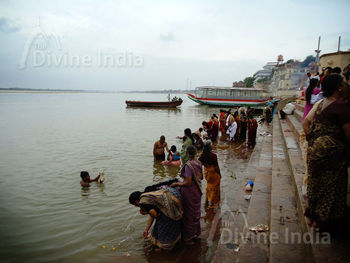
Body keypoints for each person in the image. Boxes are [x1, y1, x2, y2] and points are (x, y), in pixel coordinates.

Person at [303, 74, 350, 231]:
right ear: (339, 87)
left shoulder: (321, 103)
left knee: (316, 185)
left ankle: (313, 218)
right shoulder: (342, 108)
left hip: (315, 151)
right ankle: (322, 223)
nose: (346, 84)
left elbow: (305, 123)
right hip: (332, 156)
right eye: (344, 82)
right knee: (330, 188)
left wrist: (314, 141)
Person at [129, 180, 183, 251]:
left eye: (134, 204)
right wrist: (146, 230)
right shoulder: (148, 191)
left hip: (170, 203)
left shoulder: (143, 201)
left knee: (164, 224)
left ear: (136, 201)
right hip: (175, 194)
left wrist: (145, 212)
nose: (136, 206)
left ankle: (166, 247)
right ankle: (178, 240)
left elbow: (155, 215)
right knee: (168, 223)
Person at [171, 145, 203, 244]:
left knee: (188, 215)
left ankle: (188, 238)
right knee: (196, 213)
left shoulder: (188, 165)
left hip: (189, 192)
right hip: (197, 191)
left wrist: (177, 183)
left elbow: (188, 182)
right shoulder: (199, 163)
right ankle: (195, 234)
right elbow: (201, 177)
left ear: (188, 154)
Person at [199, 141, 221, 208]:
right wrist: (219, 174)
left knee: (209, 185)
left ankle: (206, 201)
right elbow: (216, 167)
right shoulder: (213, 156)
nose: (212, 145)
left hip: (206, 172)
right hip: (213, 172)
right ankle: (212, 203)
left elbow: (200, 164)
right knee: (215, 187)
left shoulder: (201, 155)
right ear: (209, 147)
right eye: (211, 144)